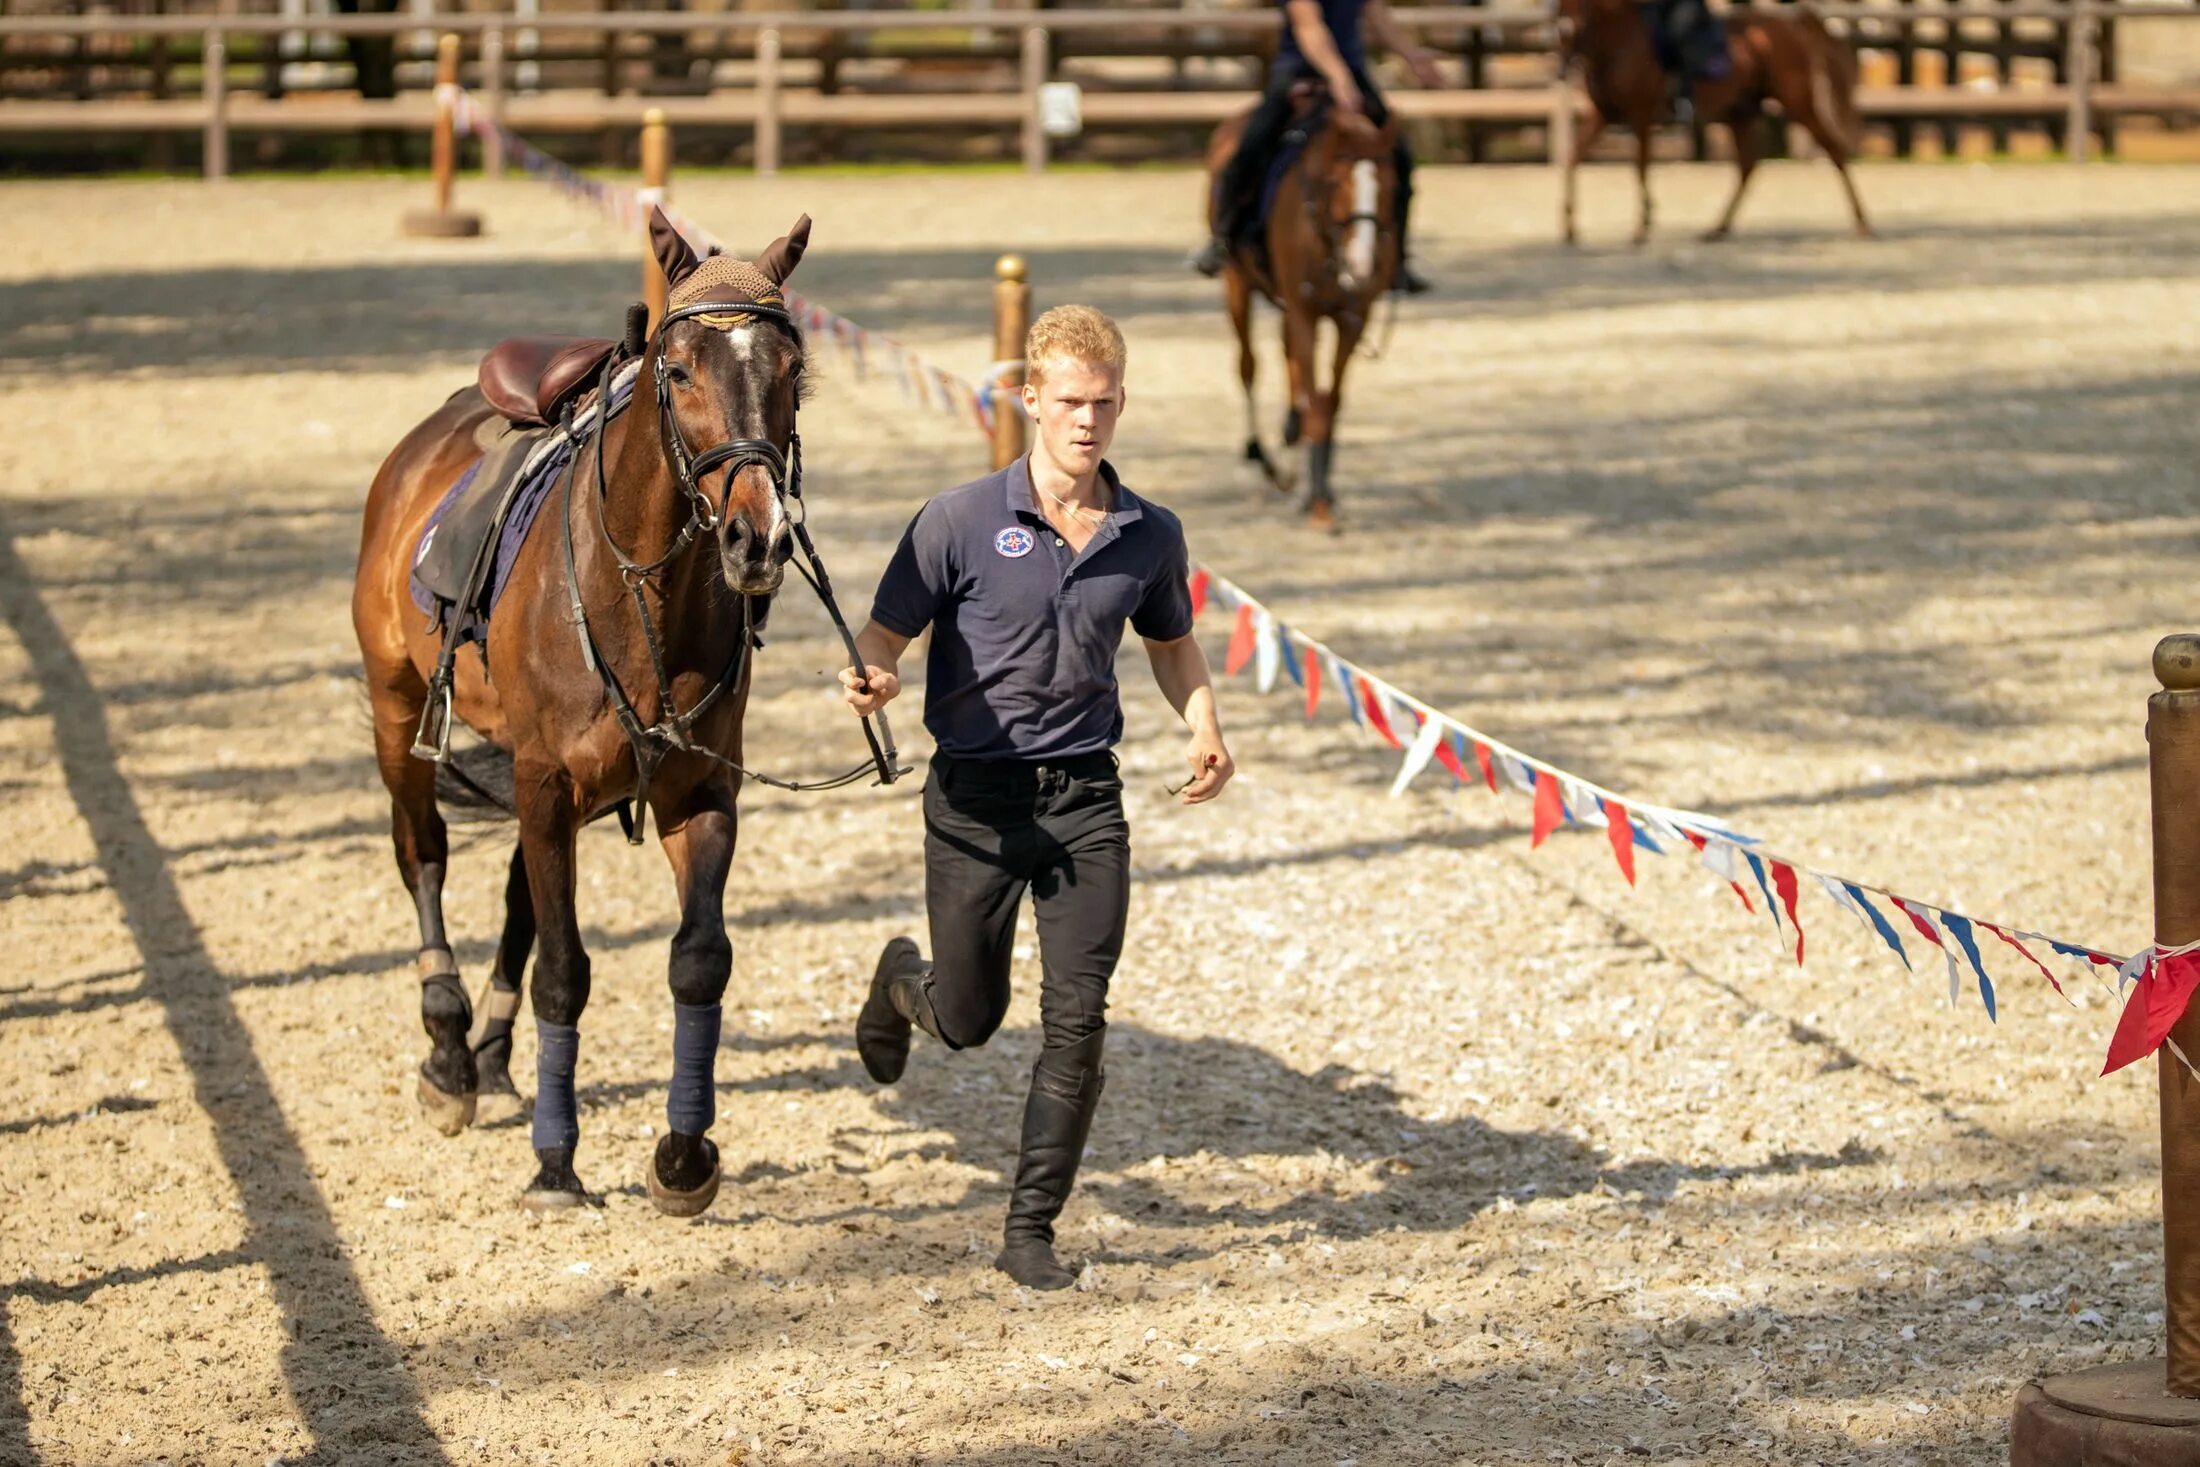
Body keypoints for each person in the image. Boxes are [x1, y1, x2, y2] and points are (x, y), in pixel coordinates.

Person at [837, 305, 1235, 1291]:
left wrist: (1204, 724)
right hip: (972, 803)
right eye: (1068, 402)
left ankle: (1030, 1231)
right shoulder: (956, 521)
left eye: (1102, 404)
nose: (1086, 422)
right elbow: (881, 635)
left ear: (1121, 402)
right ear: (1028, 401)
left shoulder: (1149, 534)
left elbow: (1171, 644)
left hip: (1084, 804)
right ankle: (900, 981)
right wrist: (875, 674)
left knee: (1078, 1019)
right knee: (968, 1020)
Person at [1190, 0, 1445, 294]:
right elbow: (1309, 26)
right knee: (1249, 149)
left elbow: (1375, 12)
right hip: (1298, 70)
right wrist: (1337, 77)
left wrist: (1410, 55)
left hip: (1352, 71)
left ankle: (1396, 258)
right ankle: (1222, 240)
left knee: (1397, 157)